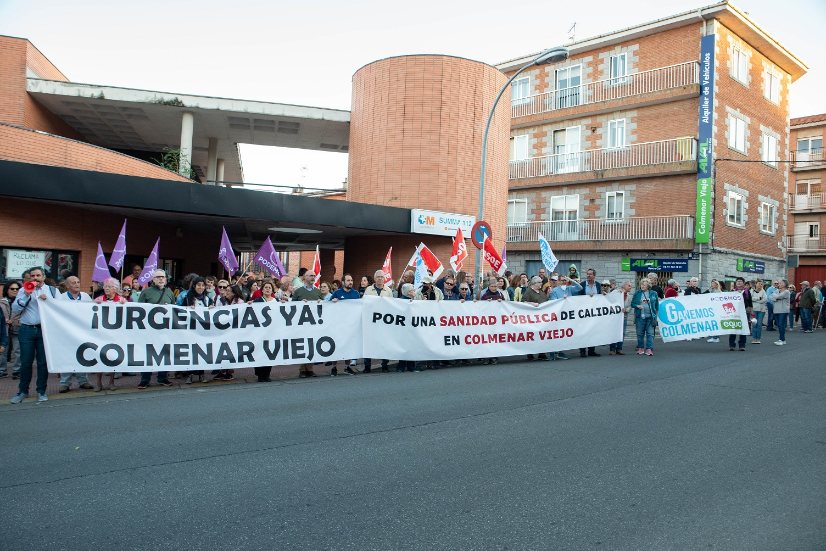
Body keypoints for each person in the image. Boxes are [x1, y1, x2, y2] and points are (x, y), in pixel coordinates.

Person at [10, 267, 58, 404]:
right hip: (26, 330)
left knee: (43, 363)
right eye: (32, 276)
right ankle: (22, 391)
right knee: (25, 362)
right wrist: (26, 294)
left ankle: (41, 391)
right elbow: (15, 309)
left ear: (43, 277)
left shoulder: (52, 291)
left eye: (38, 275)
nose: (35, 278)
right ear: (29, 278)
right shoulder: (23, 290)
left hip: (44, 331)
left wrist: (48, 300)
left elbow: (61, 308)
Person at [136, 269, 175, 389]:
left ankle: (163, 378)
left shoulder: (169, 292)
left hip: (164, 330)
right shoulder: (146, 292)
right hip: (149, 330)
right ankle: (145, 379)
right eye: (158, 277)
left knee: (164, 353)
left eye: (163, 277)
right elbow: (139, 310)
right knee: (148, 354)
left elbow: (174, 310)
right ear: (153, 279)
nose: (161, 279)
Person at [56, 276, 95, 392]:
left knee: (82, 355)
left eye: (78, 282)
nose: (77, 284)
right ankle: (65, 383)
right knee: (67, 356)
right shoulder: (61, 298)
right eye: (73, 283)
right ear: (67, 286)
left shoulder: (86, 296)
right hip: (67, 332)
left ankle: (83, 381)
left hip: (82, 332)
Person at [91, 278, 128, 391]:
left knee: (113, 357)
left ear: (116, 289)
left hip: (115, 334)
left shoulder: (122, 300)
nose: (107, 288)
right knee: (99, 356)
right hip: (100, 333)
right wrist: (93, 304)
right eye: (106, 286)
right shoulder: (98, 299)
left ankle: (111, 382)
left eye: (110, 286)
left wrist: (124, 305)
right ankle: (98, 382)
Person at [293, 270, 324, 378]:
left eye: (314, 276)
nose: (313, 277)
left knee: (312, 345)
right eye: (311, 276)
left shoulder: (318, 292)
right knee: (303, 345)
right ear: (304, 277)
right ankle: (302, 370)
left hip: (314, 324)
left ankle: (310, 369)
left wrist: (321, 303)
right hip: (302, 324)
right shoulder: (298, 292)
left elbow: (323, 307)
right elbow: (291, 306)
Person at [329, 274, 361, 375]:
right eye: (348, 280)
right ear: (343, 282)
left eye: (351, 280)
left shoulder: (356, 294)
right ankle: (334, 367)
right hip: (338, 325)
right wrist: (332, 302)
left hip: (351, 325)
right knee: (337, 346)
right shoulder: (337, 293)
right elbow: (328, 307)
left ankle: (347, 367)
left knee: (349, 346)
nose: (350, 282)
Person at [631, 278, 659, 356]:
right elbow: (632, 304)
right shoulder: (637, 293)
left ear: (648, 286)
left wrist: (655, 315)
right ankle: (640, 348)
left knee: (650, 334)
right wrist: (637, 305)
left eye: (644, 285)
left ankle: (649, 349)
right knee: (640, 333)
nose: (642, 286)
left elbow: (657, 305)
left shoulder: (654, 293)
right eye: (641, 284)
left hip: (650, 317)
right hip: (640, 317)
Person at [577, 268, 601, 358]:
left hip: (594, 312)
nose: (588, 275)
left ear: (594, 276)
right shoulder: (582, 285)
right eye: (587, 274)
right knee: (583, 331)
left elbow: (600, 296)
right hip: (584, 312)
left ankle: (591, 350)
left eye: (590, 274)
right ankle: (582, 351)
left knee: (592, 331)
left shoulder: (598, 285)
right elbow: (577, 297)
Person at [0, 282, 21, 379]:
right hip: (4, 329)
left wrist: (15, 320)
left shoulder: (21, 301)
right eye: (12, 289)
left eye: (17, 289)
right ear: (7, 290)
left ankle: (17, 371)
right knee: (3, 350)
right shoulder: (2, 302)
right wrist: (5, 320)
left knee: (18, 350)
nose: (15, 290)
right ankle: (2, 370)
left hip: (17, 328)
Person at [609, 281, 632, 355]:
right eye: (629, 285)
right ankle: (612, 349)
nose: (630, 287)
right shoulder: (616, 292)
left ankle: (619, 349)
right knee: (613, 332)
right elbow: (609, 300)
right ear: (624, 286)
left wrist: (626, 310)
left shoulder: (628, 295)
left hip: (623, 317)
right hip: (615, 317)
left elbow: (629, 306)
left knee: (622, 333)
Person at [728, 276, 751, 351]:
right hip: (734, 312)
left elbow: (750, 302)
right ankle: (732, 345)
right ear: (736, 283)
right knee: (733, 328)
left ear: (743, 283)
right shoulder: (732, 291)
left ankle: (742, 345)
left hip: (744, 312)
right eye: (737, 281)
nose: (739, 282)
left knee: (743, 328)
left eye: (741, 281)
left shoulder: (747, 291)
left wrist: (751, 310)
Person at [772, 280, 791, 346]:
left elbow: (778, 297)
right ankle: (781, 339)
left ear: (785, 284)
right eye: (779, 283)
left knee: (781, 324)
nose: (778, 284)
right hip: (776, 310)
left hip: (783, 310)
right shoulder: (777, 291)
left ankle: (782, 339)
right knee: (779, 325)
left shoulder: (787, 291)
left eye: (780, 283)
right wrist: (776, 297)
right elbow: (771, 297)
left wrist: (776, 297)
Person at [750, 279, 767, 344]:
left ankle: (758, 338)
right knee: (754, 324)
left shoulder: (763, 291)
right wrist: (758, 298)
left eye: (761, 284)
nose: (760, 285)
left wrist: (755, 300)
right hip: (754, 310)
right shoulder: (752, 291)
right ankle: (754, 338)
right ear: (756, 284)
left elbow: (764, 300)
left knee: (759, 324)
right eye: (759, 283)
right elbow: (750, 298)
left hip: (761, 310)